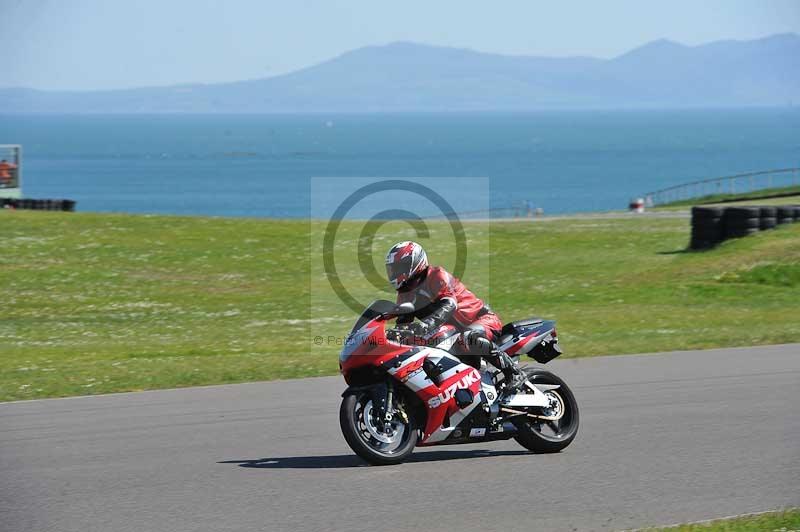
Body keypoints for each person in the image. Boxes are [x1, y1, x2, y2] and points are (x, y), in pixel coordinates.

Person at [385, 241, 526, 390]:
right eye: (392, 269)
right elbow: (403, 323)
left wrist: (426, 325)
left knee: (468, 338)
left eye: (398, 268)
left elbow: (449, 304)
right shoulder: (405, 292)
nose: (394, 273)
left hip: (481, 319)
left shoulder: (436, 275)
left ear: (413, 263)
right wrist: (392, 335)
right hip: (452, 331)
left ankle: (514, 372)